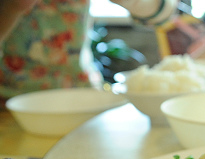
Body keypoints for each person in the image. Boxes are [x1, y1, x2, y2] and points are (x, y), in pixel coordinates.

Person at [0, 0, 179, 103]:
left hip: (83, 96)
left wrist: (135, 2)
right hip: (10, 99)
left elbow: (162, 13)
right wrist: (13, 8)